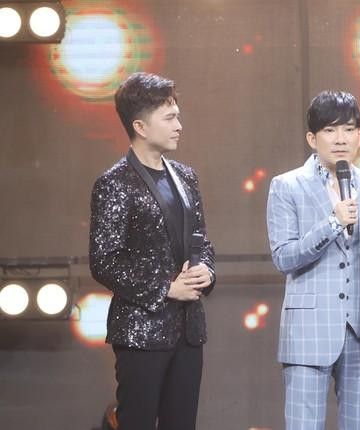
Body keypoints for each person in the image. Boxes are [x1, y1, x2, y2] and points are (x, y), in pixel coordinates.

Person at [266, 90, 360, 430]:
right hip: (309, 330)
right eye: (330, 130)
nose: (341, 138)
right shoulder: (287, 186)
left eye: (349, 129)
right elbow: (283, 257)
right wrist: (332, 223)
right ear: (312, 138)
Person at [89, 72, 215, 430]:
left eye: (178, 116)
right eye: (170, 118)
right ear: (140, 126)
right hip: (140, 331)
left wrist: (206, 270)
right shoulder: (114, 183)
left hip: (189, 329)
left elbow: (202, 240)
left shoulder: (186, 177)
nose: (179, 126)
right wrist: (166, 288)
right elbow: (104, 260)